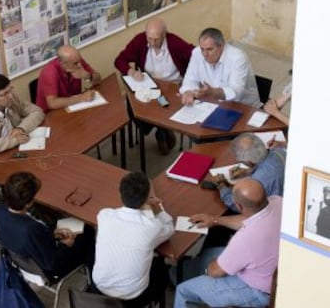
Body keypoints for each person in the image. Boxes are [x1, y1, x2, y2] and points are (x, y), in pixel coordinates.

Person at [174, 178, 282, 308]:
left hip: (258, 291)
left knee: (183, 291)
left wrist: (207, 270)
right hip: (273, 270)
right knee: (209, 254)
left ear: (239, 206)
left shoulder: (244, 238)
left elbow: (215, 271)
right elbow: (250, 219)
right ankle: (182, 273)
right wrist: (215, 220)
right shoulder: (278, 201)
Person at [90, 172, 174, 307]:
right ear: (146, 197)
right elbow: (169, 228)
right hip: (132, 298)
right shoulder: (151, 227)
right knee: (162, 270)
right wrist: (156, 209)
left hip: (98, 288)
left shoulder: (104, 215)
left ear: (120, 195)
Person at [0, 172, 95, 280]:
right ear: (28, 203)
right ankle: (94, 280)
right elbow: (52, 263)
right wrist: (66, 244)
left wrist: (51, 234)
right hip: (49, 270)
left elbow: (34, 241)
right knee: (88, 230)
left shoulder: (0, 210)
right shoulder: (30, 229)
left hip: (24, 260)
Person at [115, 18, 194, 155]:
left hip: (172, 86)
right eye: (149, 38)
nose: (152, 42)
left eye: (156, 39)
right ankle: (162, 129)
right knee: (134, 107)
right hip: (149, 86)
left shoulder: (175, 43)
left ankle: (162, 133)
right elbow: (120, 60)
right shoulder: (140, 41)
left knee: (162, 104)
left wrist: (189, 82)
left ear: (164, 34)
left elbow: (195, 57)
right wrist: (132, 72)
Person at [180, 27, 261, 108]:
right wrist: (188, 91)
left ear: (221, 46)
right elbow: (190, 79)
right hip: (212, 104)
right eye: (202, 49)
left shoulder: (238, 58)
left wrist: (213, 92)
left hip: (243, 106)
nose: (205, 54)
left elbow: (237, 92)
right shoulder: (197, 53)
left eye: (209, 49)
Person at [210, 132, 286, 212]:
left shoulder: (257, 182)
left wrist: (221, 185)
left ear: (249, 162)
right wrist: (249, 171)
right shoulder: (279, 152)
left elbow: (239, 206)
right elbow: (271, 169)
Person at [36, 45, 101, 112]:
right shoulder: (49, 72)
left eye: (79, 60)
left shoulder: (77, 61)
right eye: (75, 63)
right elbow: (52, 104)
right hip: (51, 114)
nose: (79, 65)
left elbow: (98, 80)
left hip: (73, 107)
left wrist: (87, 76)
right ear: (62, 64)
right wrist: (81, 98)